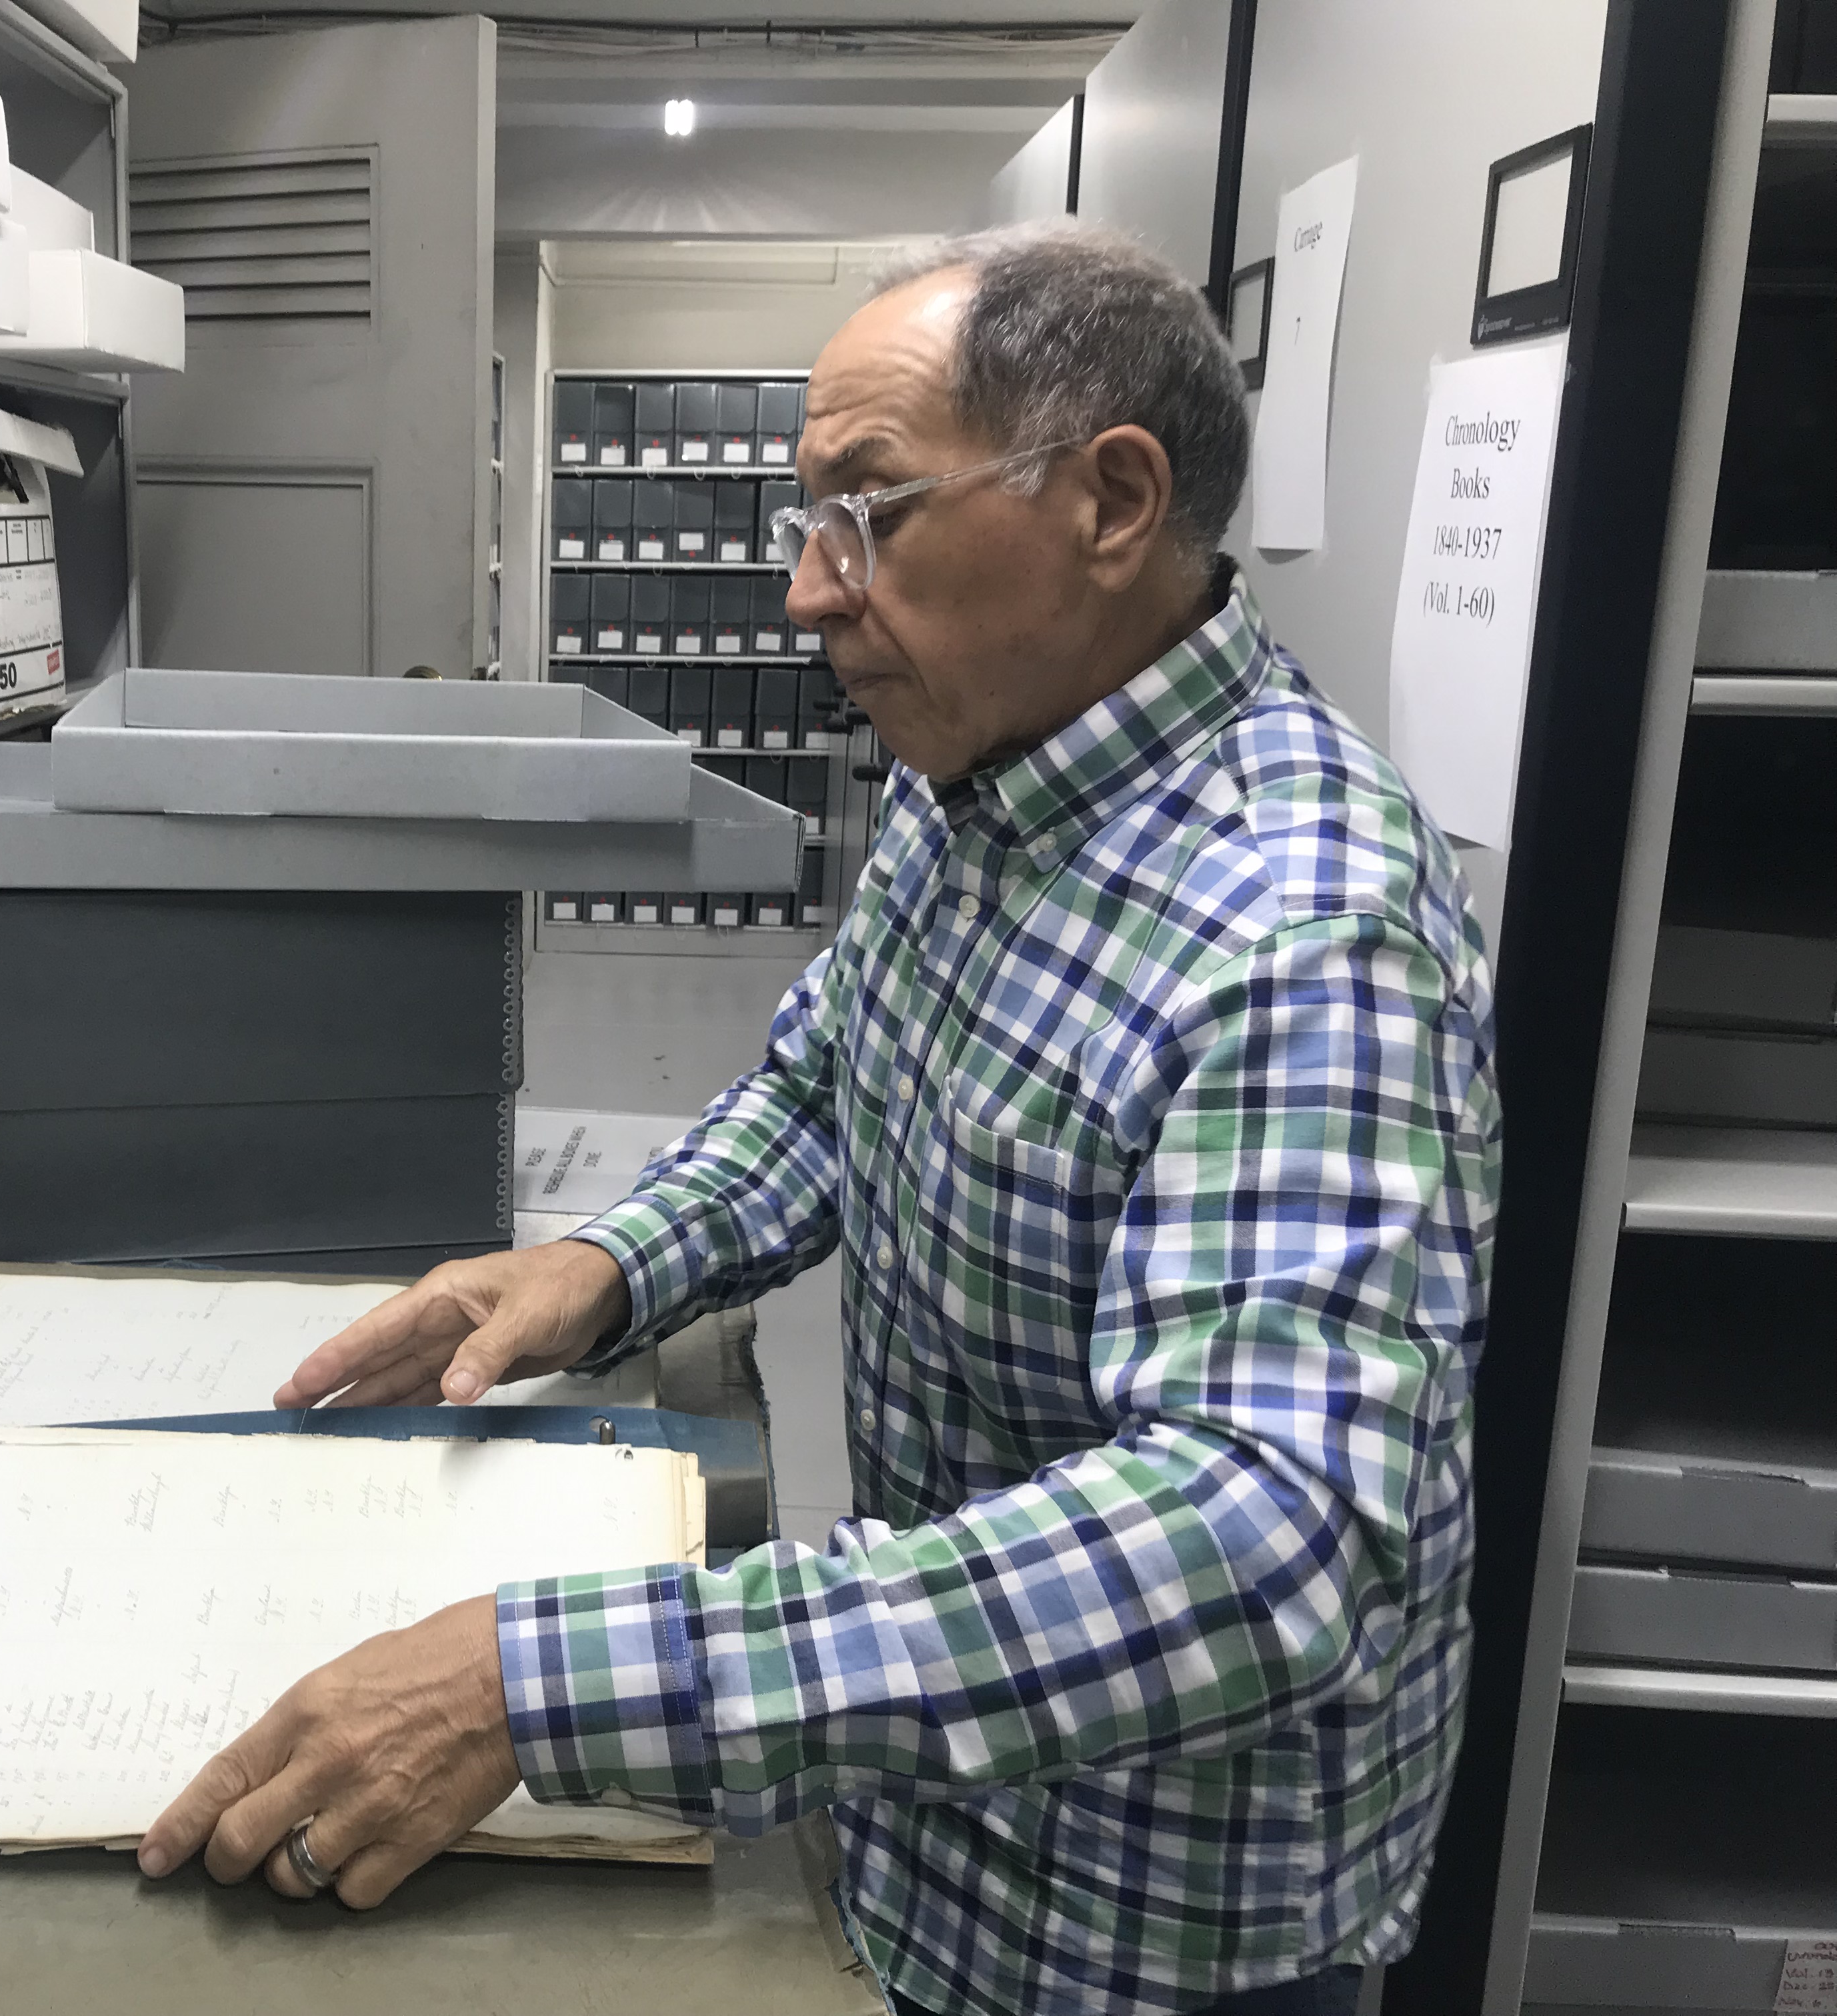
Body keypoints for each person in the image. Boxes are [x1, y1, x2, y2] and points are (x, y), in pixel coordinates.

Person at [135, 219, 1499, 2016]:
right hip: (927, 1836)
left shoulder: (1304, 931)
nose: (806, 590)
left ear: (1108, 501)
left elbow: (1260, 1538)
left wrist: (542, 1688)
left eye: (872, 511)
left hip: (1147, 1941)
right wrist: (607, 1264)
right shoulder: (985, 773)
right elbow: (824, 1088)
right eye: (808, 521)